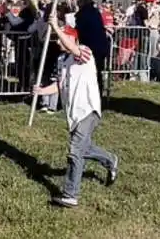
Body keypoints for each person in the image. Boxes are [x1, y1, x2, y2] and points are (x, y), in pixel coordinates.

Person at [33, 15, 118, 208]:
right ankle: (110, 160)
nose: (58, 41)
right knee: (84, 149)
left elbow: (74, 49)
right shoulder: (63, 61)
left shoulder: (84, 53)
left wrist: (55, 26)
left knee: (74, 152)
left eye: (63, 38)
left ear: (73, 39)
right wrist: (41, 91)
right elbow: (60, 86)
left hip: (88, 110)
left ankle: (70, 194)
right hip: (73, 114)